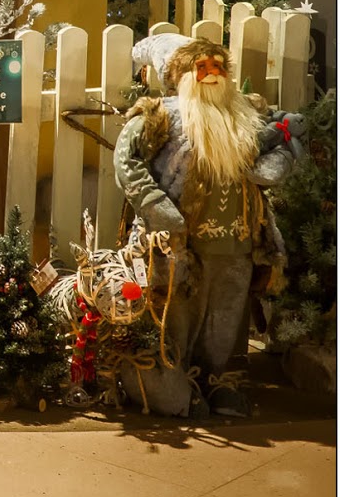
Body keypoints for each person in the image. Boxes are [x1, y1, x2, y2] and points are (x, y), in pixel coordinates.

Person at [113, 38, 293, 418]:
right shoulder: (161, 116)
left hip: (238, 243)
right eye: (202, 67)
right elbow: (127, 163)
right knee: (177, 318)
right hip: (182, 245)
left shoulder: (244, 115)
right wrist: (159, 208)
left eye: (218, 66)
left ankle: (212, 380)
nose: (212, 74)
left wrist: (275, 164)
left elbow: (281, 142)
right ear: (182, 75)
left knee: (223, 320)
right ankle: (179, 384)